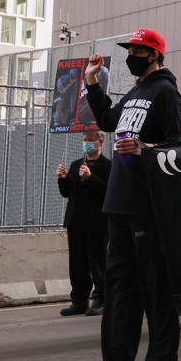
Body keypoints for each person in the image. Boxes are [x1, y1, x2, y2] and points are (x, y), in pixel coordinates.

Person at [73, 29, 181, 361]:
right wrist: (92, 81)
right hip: (119, 204)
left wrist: (146, 147)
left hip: (148, 205)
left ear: (154, 54)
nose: (132, 55)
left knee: (155, 287)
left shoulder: (166, 92)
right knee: (119, 290)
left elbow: (178, 146)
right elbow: (107, 120)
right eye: (130, 49)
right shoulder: (136, 92)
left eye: (138, 50)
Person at [56, 130, 111, 316]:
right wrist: (62, 179)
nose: (87, 143)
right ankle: (79, 300)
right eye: (85, 140)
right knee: (77, 264)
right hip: (76, 221)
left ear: (100, 142)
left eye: (90, 140)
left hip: (96, 223)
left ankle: (101, 298)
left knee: (98, 263)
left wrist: (91, 178)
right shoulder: (76, 165)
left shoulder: (107, 166)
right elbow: (67, 192)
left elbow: (108, 191)